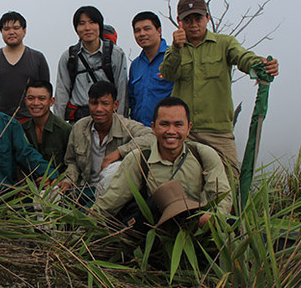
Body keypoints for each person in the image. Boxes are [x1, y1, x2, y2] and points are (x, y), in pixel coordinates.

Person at [159, 0, 279, 179]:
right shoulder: (174, 49)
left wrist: (261, 65)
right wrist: (176, 47)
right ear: (179, 22)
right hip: (185, 133)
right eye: (187, 20)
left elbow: (243, 57)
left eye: (198, 18)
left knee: (230, 181)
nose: (193, 24)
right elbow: (168, 74)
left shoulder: (224, 43)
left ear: (207, 18)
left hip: (218, 132)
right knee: (182, 183)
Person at [94, 97, 232, 228]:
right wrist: (81, 233)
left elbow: (222, 197)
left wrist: (211, 220)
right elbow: (110, 203)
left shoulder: (203, 155)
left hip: (196, 229)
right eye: (164, 124)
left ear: (189, 128)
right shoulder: (139, 159)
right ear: (153, 128)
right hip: (153, 232)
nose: (171, 131)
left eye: (178, 125)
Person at [58, 81, 154, 203]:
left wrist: (119, 152)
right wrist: (68, 180)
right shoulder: (79, 127)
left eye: (105, 104)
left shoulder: (126, 126)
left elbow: (152, 137)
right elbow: (72, 162)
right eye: (94, 103)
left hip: (115, 194)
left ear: (115, 105)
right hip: (84, 189)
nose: (99, 109)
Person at [53, 6, 128, 123]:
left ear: (100, 26)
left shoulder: (116, 54)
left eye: (92, 22)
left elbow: (122, 90)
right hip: (78, 121)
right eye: (82, 24)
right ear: (76, 29)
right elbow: (61, 93)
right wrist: (59, 126)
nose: (87, 28)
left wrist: (120, 124)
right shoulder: (69, 57)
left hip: (107, 120)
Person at [0, 11, 49, 120]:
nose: (11, 32)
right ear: (1, 32)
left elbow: (45, 91)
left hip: (30, 120)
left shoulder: (37, 58)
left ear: (24, 31)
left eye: (16, 28)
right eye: (6, 29)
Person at [128, 11, 173, 127]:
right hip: (141, 130)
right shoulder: (136, 65)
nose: (142, 34)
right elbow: (132, 100)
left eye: (147, 29)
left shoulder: (172, 57)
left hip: (167, 130)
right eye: (137, 31)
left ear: (159, 31)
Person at [20, 80, 71, 171]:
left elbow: (73, 165)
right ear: (25, 100)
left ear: (51, 101)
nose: (35, 103)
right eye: (31, 98)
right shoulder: (21, 130)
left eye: (42, 98)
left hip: (59, 182)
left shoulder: (65, 130)